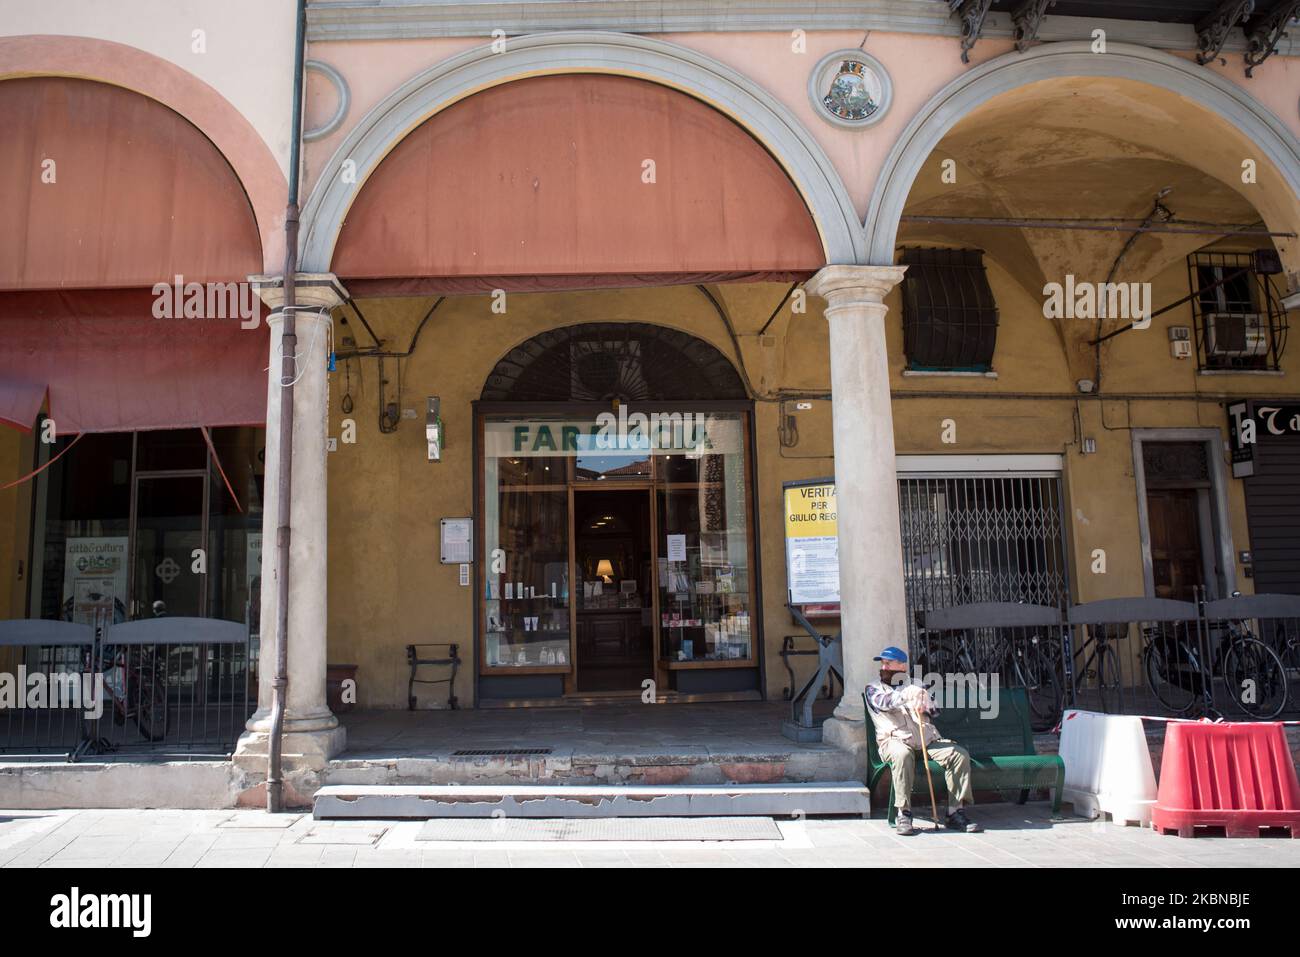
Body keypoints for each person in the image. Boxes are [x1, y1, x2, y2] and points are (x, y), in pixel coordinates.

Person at [865, 646, 983, 836]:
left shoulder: (917, 685)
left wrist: (925, 702)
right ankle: (903, 813)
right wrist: (906, 695)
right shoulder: (873, 688)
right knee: (902, 755)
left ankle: (955, 812)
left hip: (926, 740)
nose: (884, 668)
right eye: (883, 664)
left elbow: (935, 711)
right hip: (895, 741)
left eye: (888, 663)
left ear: (902, 666)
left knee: (959, 755)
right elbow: (883, 703)